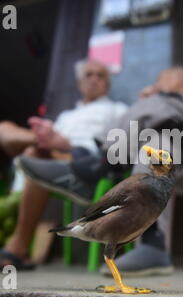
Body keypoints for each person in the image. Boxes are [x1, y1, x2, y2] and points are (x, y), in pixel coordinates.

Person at [8, 67, 183, 274]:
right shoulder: (160, 107)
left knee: (156, 106)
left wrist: (166, 103)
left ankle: (97, 166)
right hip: (180, 160)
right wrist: (158, 112)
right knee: (155, 144)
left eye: (163, 79)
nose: (158, 84)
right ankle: (153, 244)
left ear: (179, 79)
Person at [0, 59, 128, 269]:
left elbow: (118, 146)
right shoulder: (66, 116)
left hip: (87, 160)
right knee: (9, 131)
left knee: (35, 156)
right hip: (53, 154)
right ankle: (40, 141)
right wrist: (50, 140)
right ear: (79, 83)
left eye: (100, 75)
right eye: (89, 75)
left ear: (108, 84)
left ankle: (18, 249)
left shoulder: (117, 109)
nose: (94, 79)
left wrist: (67, 145)